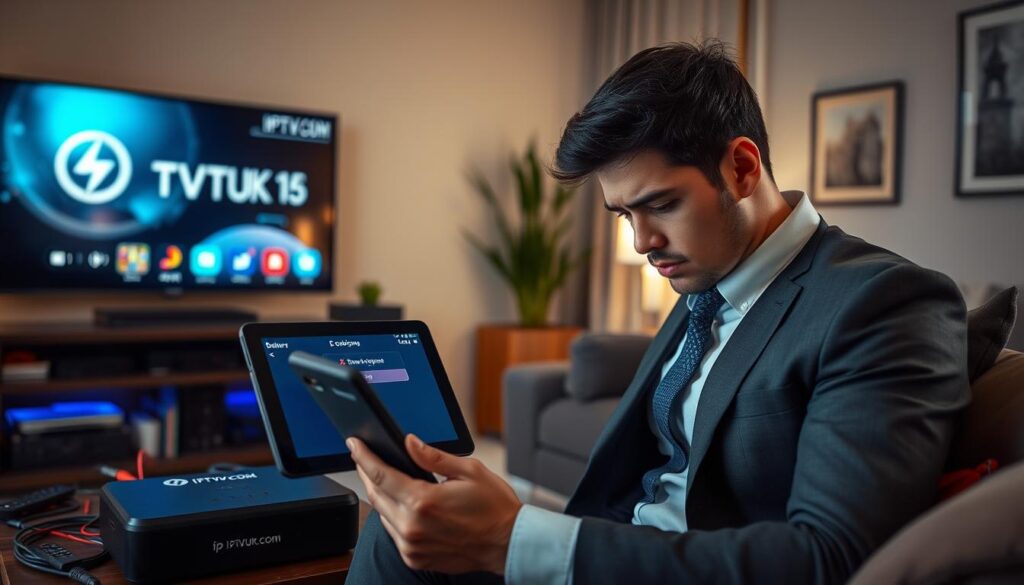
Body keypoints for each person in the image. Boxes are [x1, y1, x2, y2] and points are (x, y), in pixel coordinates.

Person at [345, 40, 969, 584]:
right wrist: (516, 515)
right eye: (624, 216)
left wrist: (515, 540)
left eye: (661, 205)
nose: (641, 242)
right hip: (616, 553)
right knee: (397, 534)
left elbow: (833, 560)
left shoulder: (884, 303)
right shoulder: (708, 281)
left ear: (742, 167)